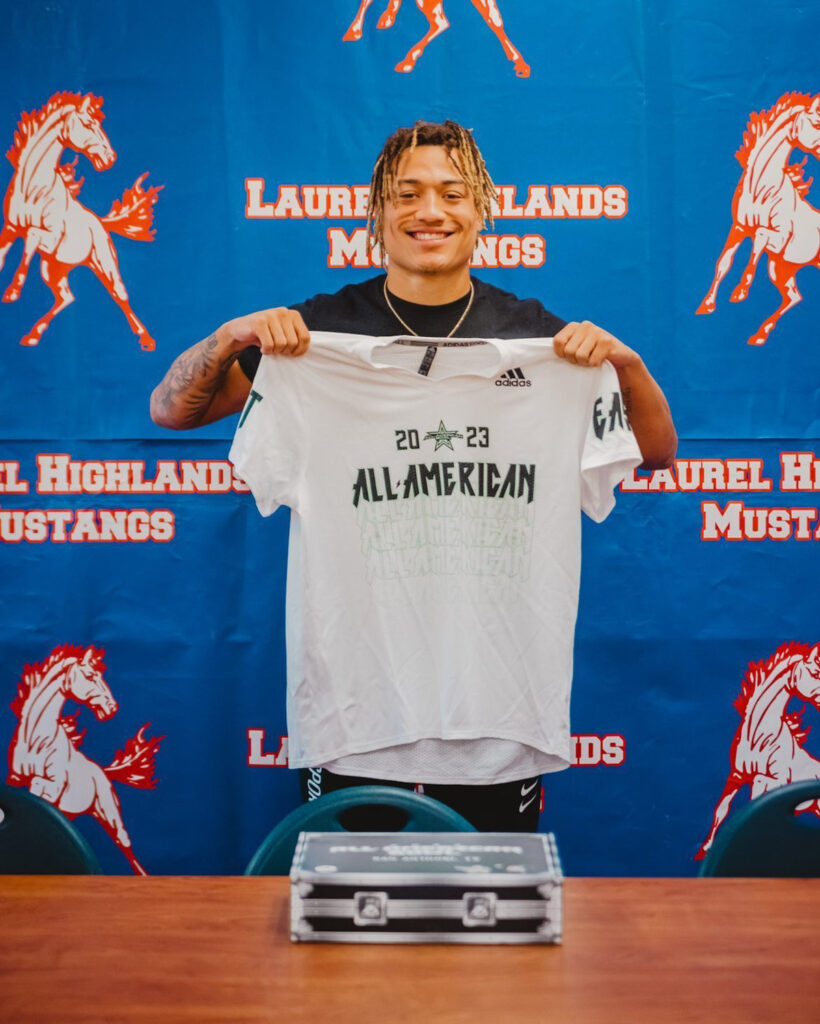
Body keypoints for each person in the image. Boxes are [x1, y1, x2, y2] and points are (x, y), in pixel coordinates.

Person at [151, 121, 676, 831]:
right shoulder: (315, 340)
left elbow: (657, 452)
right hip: (355, 716)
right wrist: (228, 339)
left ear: (481, 209)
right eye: (408, 193)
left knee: (492, 896)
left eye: (452, 194)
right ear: (377, 210)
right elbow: (171, 410)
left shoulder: (542, 342)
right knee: (349, 898)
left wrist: (626, 366)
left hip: (499, 716)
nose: (431, 211)